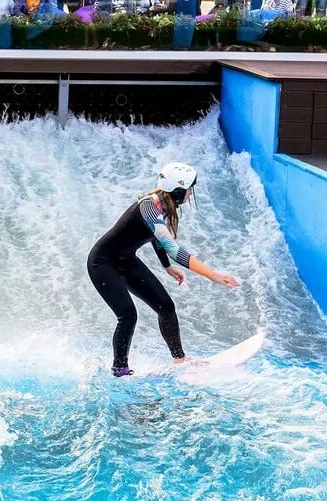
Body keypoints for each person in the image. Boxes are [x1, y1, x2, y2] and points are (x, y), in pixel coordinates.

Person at [88, 162, 240, 377]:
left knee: (166, 306)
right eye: (189, 189)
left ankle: (180, 358)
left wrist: (167, 266)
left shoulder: (164, 206)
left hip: (125, 260)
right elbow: (173, 248)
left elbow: (155, 237)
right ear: (178, 191)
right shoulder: (148, 206)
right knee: (128, 315)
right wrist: (211, 274)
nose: (190, 193)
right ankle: (119, 369)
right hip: (102, 263)